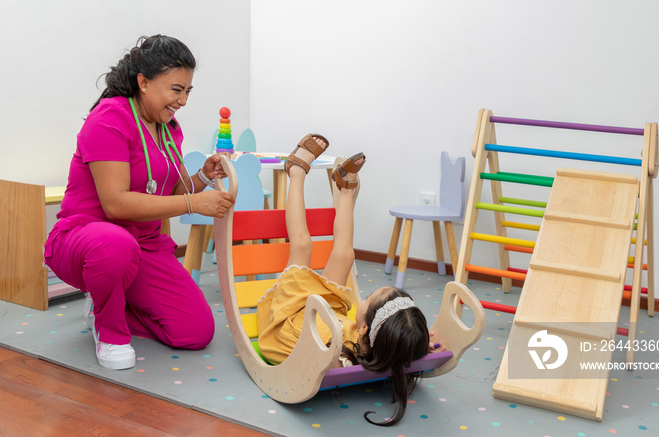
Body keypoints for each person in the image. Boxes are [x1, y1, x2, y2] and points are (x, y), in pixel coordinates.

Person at [44, 35, 235, 370]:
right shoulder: (109, 119)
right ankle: (110, 330)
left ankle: (106, 303)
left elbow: (171, 194)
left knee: (196, 331)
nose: (184, 101)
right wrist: (194, 204)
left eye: (188, 91)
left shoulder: (168, 128)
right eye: (176, 89)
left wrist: (202, 178)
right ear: (144, 82)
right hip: (86, 238)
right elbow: (117, 205)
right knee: (115, 244)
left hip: (142, 244)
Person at [256, 134, 443, 426]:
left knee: (303, 245)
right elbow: (397, 341)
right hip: (326, 317)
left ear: (365, 326)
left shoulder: (340, 357)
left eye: (366, 299)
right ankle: (344, 190)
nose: (362, 297)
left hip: (291, 320)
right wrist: (414, 342)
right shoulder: (380, 343)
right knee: (344, 255)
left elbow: (325, 357)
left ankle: (295, 170)